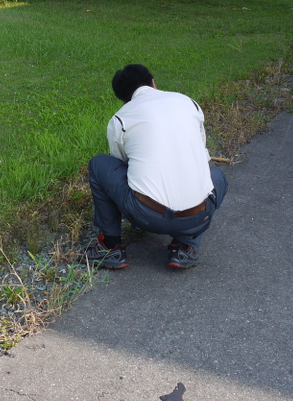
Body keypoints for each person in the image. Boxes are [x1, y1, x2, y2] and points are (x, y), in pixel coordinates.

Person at [85, 64, 228, 270]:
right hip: (198, 216)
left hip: (146, 215)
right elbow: (201, 154)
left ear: (124, 99)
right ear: (153, 83)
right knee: (217, 176)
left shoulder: (121, 118)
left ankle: (110, 247)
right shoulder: (189, 103)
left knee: (99, 164)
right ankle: (185, 247)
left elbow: (122, 165)